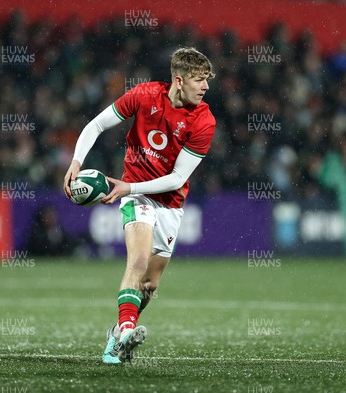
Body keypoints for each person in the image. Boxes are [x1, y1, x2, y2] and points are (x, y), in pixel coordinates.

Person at [63, 47, 215, 364]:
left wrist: (125, 186)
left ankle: (118, 330)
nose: (205, 87)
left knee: (150, 283)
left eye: (206, 81)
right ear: (179, 79)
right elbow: (95, 126)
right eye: (200, 80)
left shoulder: (203, 121)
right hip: (135, 194)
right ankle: (123, 336)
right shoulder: (144, 95)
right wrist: (76, 162)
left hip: (169, 202)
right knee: (138, 260)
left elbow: (176, 179)